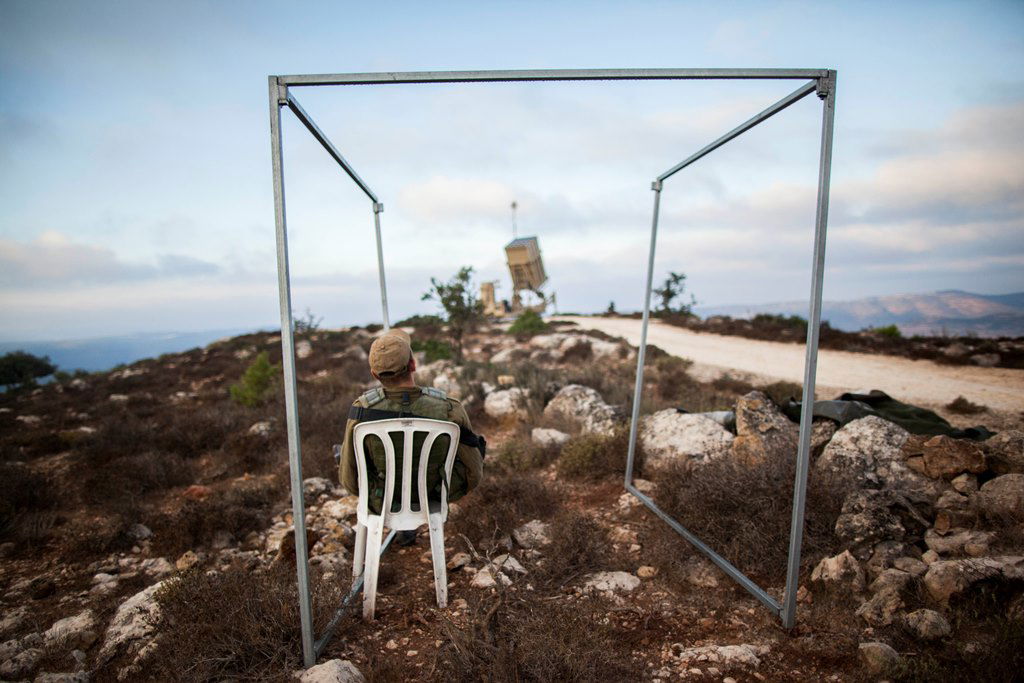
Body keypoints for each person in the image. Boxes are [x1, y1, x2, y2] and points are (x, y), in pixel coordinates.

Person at [338, 328, 484, 545]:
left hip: (381, 501)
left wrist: (377, 491)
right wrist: (441, 488)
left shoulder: (361, 412)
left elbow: (349, 480)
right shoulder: (449, 409)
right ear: (413, 365)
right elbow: (474, 472)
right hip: (431, 499)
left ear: (375, 374)